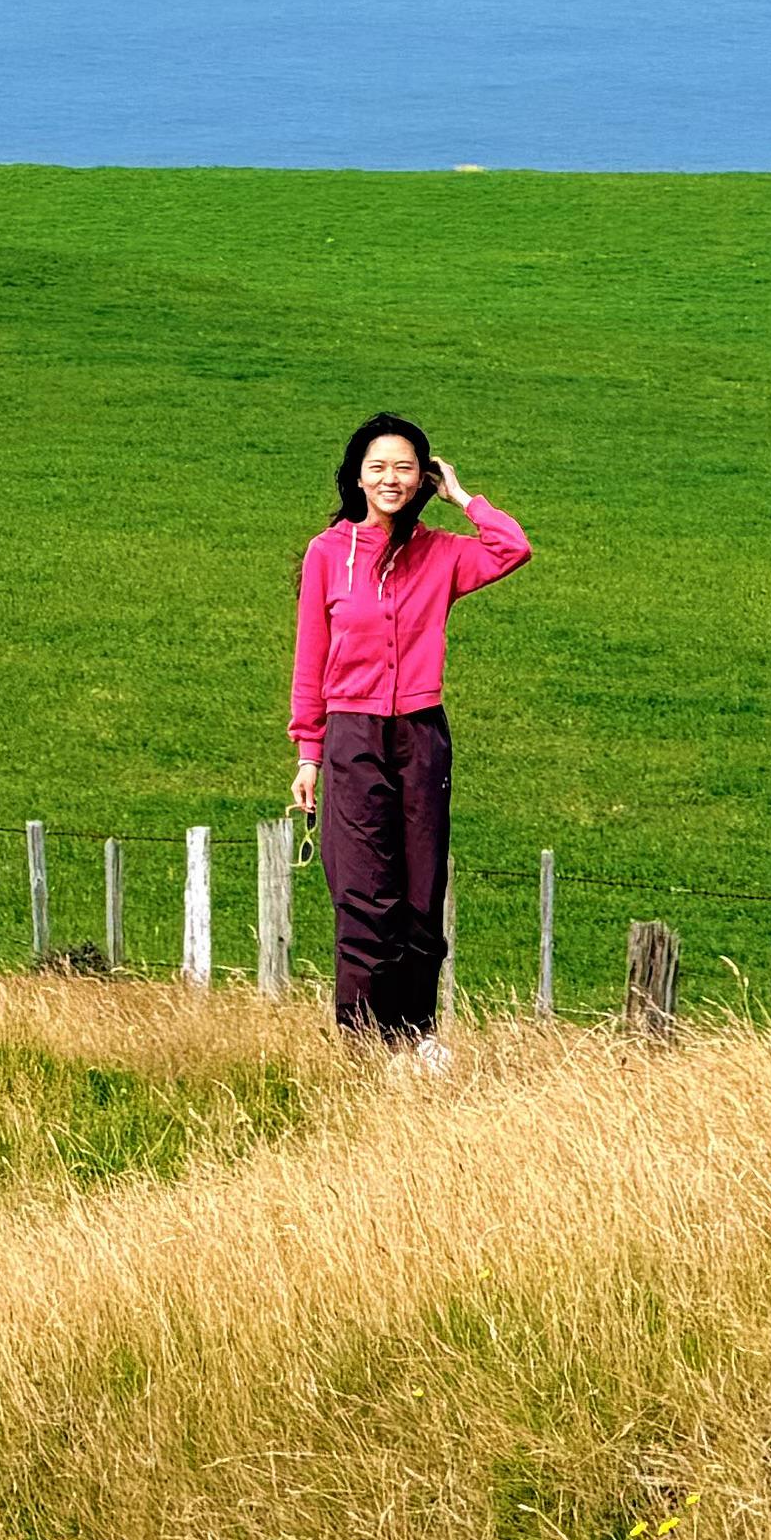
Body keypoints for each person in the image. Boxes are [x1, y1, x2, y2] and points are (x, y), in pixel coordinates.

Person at [289, 414, 529, 1058]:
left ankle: (416, 1036)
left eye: (405, 467)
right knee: (364, 893)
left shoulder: (443, 552)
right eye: (378, 467)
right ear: (357, 478)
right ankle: (365, 1044)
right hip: (351, 735)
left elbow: (512, 548)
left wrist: (463, 496)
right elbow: (311, 659)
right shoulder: (327, 553)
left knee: (422, 895)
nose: (390, 479)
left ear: (423, 477)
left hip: (421, 734)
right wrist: (309, 754)